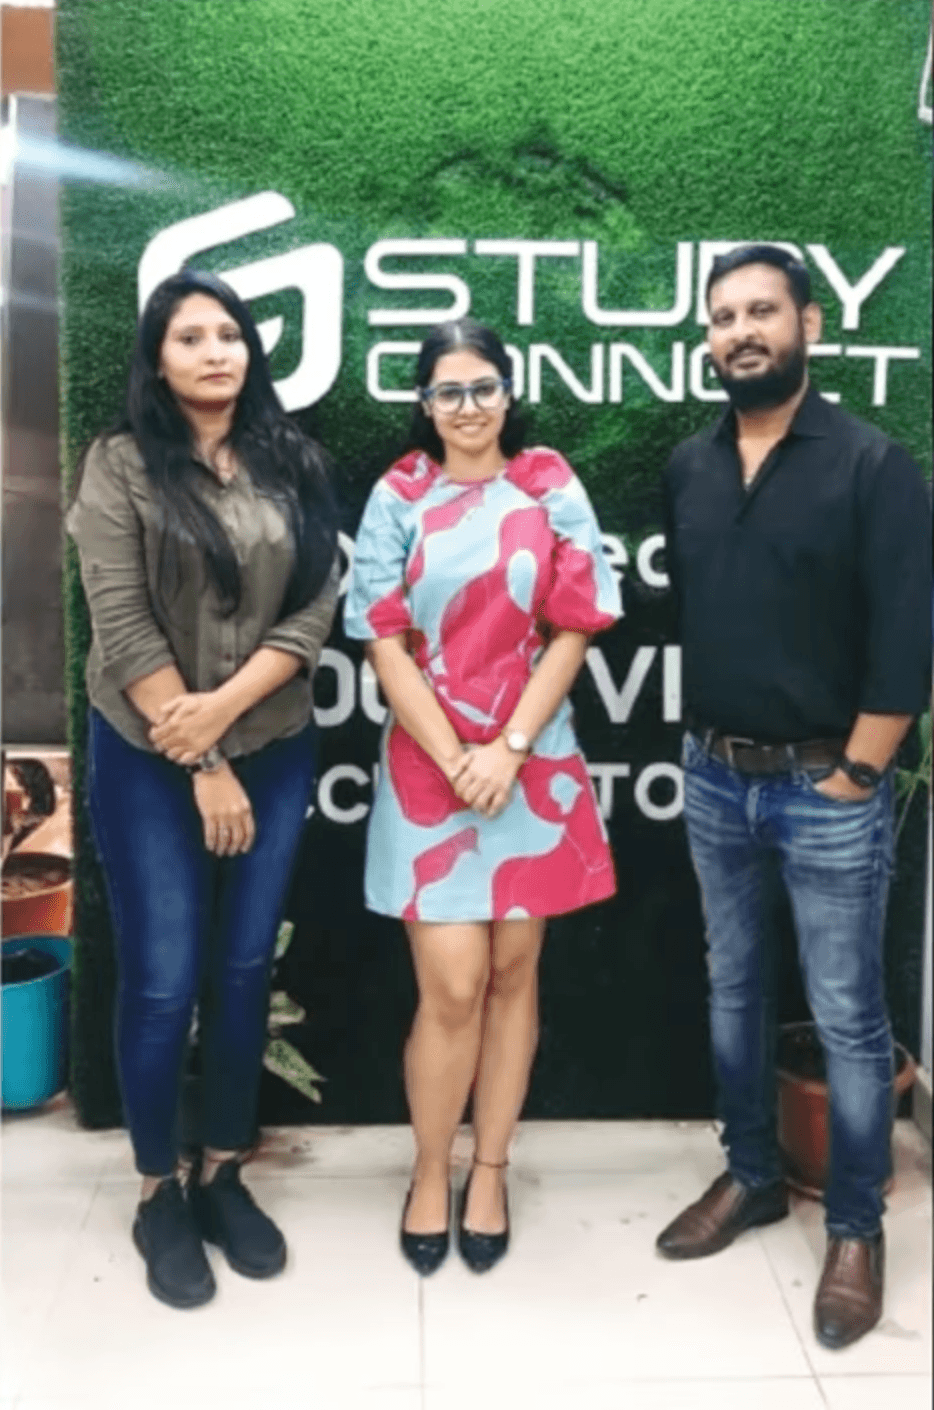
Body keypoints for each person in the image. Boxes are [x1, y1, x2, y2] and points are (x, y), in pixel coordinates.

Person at [657, 245, 931, 1348]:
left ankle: (855, 1229)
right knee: (732, 989)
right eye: (723, 317)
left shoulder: (871, 464)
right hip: (715, 777)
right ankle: (752, 1176)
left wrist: (857, 772)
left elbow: (906, 639)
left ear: (808, 324)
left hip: (831, 787)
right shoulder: (689, 466)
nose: (741, 332)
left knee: (848, 1015)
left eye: (761, 310)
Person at [67, 269, 339, 1309]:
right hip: (148, 754)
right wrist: (204, 761)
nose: (216, 351)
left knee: (240, 969)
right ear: (158, 356)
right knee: (162, 979)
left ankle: (223, 1171)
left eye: (230, 334)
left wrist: (224, 718)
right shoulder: (120, 464)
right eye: (191, 336)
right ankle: (157, 1192)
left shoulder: (293, 459)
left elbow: (314, 607)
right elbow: (120, 622)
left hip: (271, 741)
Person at [344, 319, 620, 1275]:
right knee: (452, 984)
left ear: (508, 393)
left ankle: (491, 1169)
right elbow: (381, 639)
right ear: (425, 405)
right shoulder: (400, 494)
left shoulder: (549, 484)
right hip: (429, 767)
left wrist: (508, 748)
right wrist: (459, 757)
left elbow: (574, 626)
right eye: (448, 391)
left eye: (484, 387)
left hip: (530, 762)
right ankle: (431, 1170)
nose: (468, 407)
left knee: (512, 973)